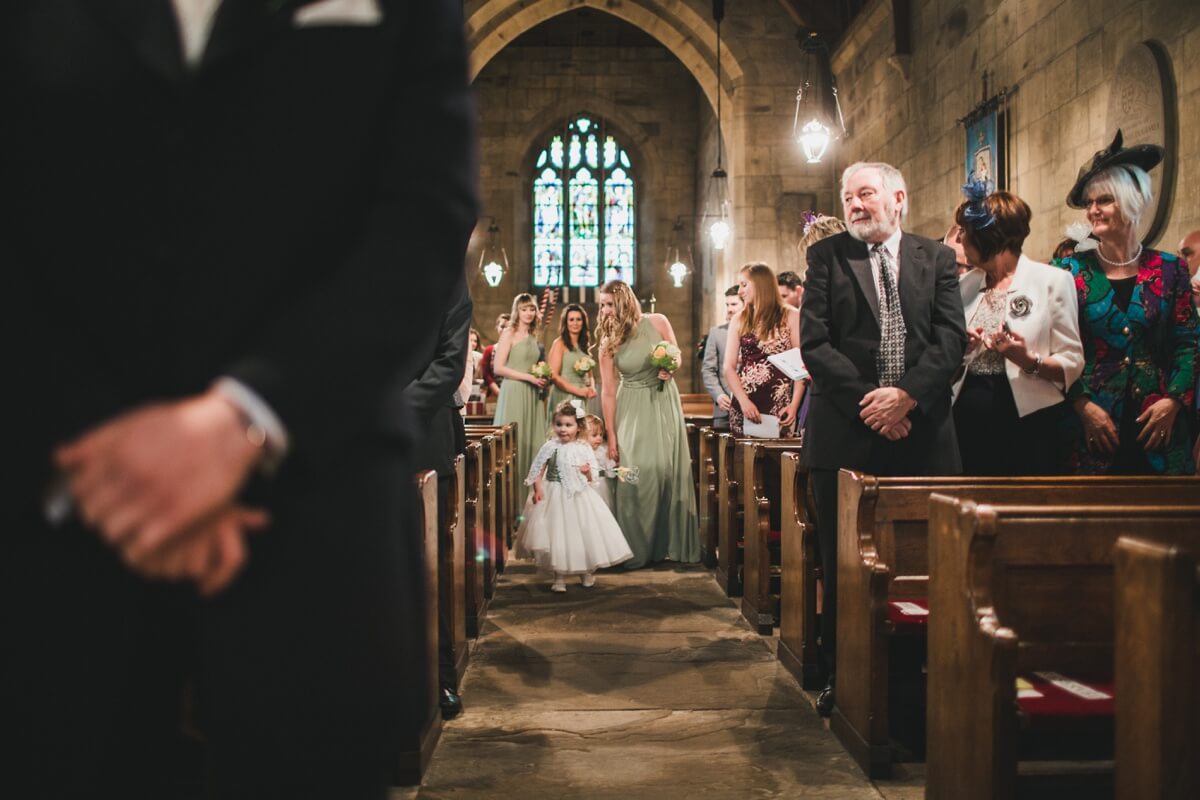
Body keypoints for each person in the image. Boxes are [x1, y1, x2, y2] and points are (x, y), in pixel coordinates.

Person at [2, 1, 479, 796]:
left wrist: (245, 418)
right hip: (67, 510)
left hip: (315, 509)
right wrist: (120, 447)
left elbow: (421, 212)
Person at [801, 161, 966, 717]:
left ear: (899, 197)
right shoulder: (827, 258)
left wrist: (907, 397)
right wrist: (874, 402)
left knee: (930, 561)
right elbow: (816, 345)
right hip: (846, 434)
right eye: (847, 196)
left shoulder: (936, 258)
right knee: (843, 562)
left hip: (924, 433)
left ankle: (923, 684)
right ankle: (845, 682)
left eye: (865, 193)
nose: (854, 204)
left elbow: (950, 340)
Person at [1058, 131, 1199, 474]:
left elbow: (1189, 344)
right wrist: (1081, 405)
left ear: (1131, 200)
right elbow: (1057, 349)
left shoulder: (1169, 269)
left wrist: (1174, 401)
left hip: (1159, 428)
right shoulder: (1068, 271)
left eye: (1104, 200)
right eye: (1090, 202)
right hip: (1093, 429)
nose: (1093, 210)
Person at [952, 183, 1083, 475]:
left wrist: (1026, 359)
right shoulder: (964, 287)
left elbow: (1072, 361)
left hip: (1027, 422)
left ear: (988, 237)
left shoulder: (1052, 281)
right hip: (967, 418)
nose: (959, 238)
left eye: (965, 231)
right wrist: (962, 350)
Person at [401, 278, 473, 720]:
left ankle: (439, 674)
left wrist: (392, 407)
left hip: (424, 433)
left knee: (431, 564)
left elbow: (450, 360)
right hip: (356, 431)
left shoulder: (445, 275)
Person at [597, 280, 701, 569]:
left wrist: (670, 368)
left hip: (661, 402)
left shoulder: (657, 321)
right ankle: (632, 549)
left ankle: (664, 545)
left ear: (625, 302)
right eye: (602, 304)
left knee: (664, 471)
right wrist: (612, 436)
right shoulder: (608, 342)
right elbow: (607, 391)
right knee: (632, 475)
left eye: (609, 304)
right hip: (630, 405)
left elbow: (676, 353)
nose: (605, 310)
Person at [515, 401, 633, 592]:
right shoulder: (549, 447)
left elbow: (592, 476)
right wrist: (538, 490)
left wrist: (586, 472)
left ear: (578, 427)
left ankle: (586, 572)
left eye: (568, 425)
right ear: (553, 425)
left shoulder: (583, 447)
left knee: (584, 534)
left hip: (579, 495)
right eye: (559, 424)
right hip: (553, 493)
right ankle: (559, 577)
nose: (563, 429)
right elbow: (537, 470)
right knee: (558, 535)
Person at [724, 264, 806, 437]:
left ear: (761, 284)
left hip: (780, 405)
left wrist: (794, 405)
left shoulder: (791, 315)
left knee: (779, 461)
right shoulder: (740, 318)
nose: (740, 291)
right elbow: (729, 367)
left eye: (744, 285)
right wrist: (744, 402)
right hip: (745, 405)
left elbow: (801, 365)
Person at [494, 294, 548, 505]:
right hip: (515, 391)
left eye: (532, 309)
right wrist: (528, 377)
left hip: (532, 394)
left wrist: (540, 376)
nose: (529, 313)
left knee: (532, 441)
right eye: (525, 309)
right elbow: (498, 368)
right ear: (518, 310)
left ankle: (529, 498)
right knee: (515, 444)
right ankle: (509, 502)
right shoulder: (509, 333)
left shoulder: (534, 335)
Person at [701, 286, 744, 430]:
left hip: (753, 405)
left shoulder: (757, 332)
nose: (730, 309)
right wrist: (718, 395)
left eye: (734, 304)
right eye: (727, 305)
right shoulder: (716, 333)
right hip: (724, 409)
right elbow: (708, 370)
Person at [546, 303, 599, 424]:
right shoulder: (559, 343)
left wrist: (592, 387)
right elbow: (553, 375)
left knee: (579, 432)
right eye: (571, 319)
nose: (575, 323)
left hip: (581, 396)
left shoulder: (584, 345)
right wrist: (577, 391)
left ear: (583, 322)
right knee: (564, 432)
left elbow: (589, 374)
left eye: (578, 319)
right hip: (563, 395)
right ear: (566, 322)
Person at [583, 414, 618, 511]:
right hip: (586, 486)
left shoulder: (604, 450)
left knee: (603, 508)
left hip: (602, 486)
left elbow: (611, 473)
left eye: (601, 434)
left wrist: (613, 463)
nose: (599, 438)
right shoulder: (580, 451)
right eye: (594, 435)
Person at [480, 313, 511, 400]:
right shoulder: (489, 350)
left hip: (513, 391)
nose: (505, 330)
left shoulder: (517, 349)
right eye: (502, 326)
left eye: (508, 327)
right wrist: (498, 391)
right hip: (494, 394)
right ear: (497, 327)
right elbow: (486, 374)